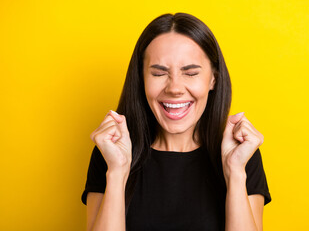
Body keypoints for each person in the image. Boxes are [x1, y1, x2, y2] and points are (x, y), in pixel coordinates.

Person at [81, 12, 272, 231]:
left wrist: (235, 172)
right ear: (141, 79)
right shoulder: (110, 153)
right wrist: (116, 172)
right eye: (158, 73)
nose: (174, 88)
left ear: (213, 79)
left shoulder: (242, 156)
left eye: (190, 73)